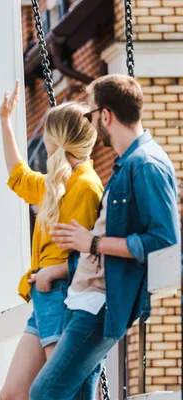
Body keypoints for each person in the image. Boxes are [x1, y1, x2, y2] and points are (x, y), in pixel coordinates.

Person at [29, 74, 181, 399]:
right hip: (82, 298)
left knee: (44, 392)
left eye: (92, 114)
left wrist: (92, 243)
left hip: (99, 305)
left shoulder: (146, 165)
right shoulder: (126, 165)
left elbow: (163, 238)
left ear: (107, 115)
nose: (91, 123)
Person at [0, 81, 104, 399]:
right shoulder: (54, 183)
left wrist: (51, 273)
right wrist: (5, 120)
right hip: (44, 299)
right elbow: (18, 177)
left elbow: (92, 256)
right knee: (12, 394)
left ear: (56, 138)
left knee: (61, 394)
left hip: (62, 295)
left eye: (46, 132)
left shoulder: (86, 186)